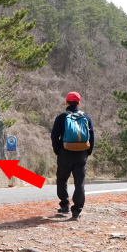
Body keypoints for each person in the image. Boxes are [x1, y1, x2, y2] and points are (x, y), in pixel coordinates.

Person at [50, 91, 94, 220]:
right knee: (79, 183)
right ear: (78, 103)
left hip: (65, 152)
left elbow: (54, 136)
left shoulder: (61, 117)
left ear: (66, 102)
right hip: (81, 154)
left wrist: (58, 151)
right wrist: (87, 152)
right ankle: (77, 211)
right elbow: (92, 137)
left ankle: (65, 205)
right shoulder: (86, 117)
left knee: (62, 179)